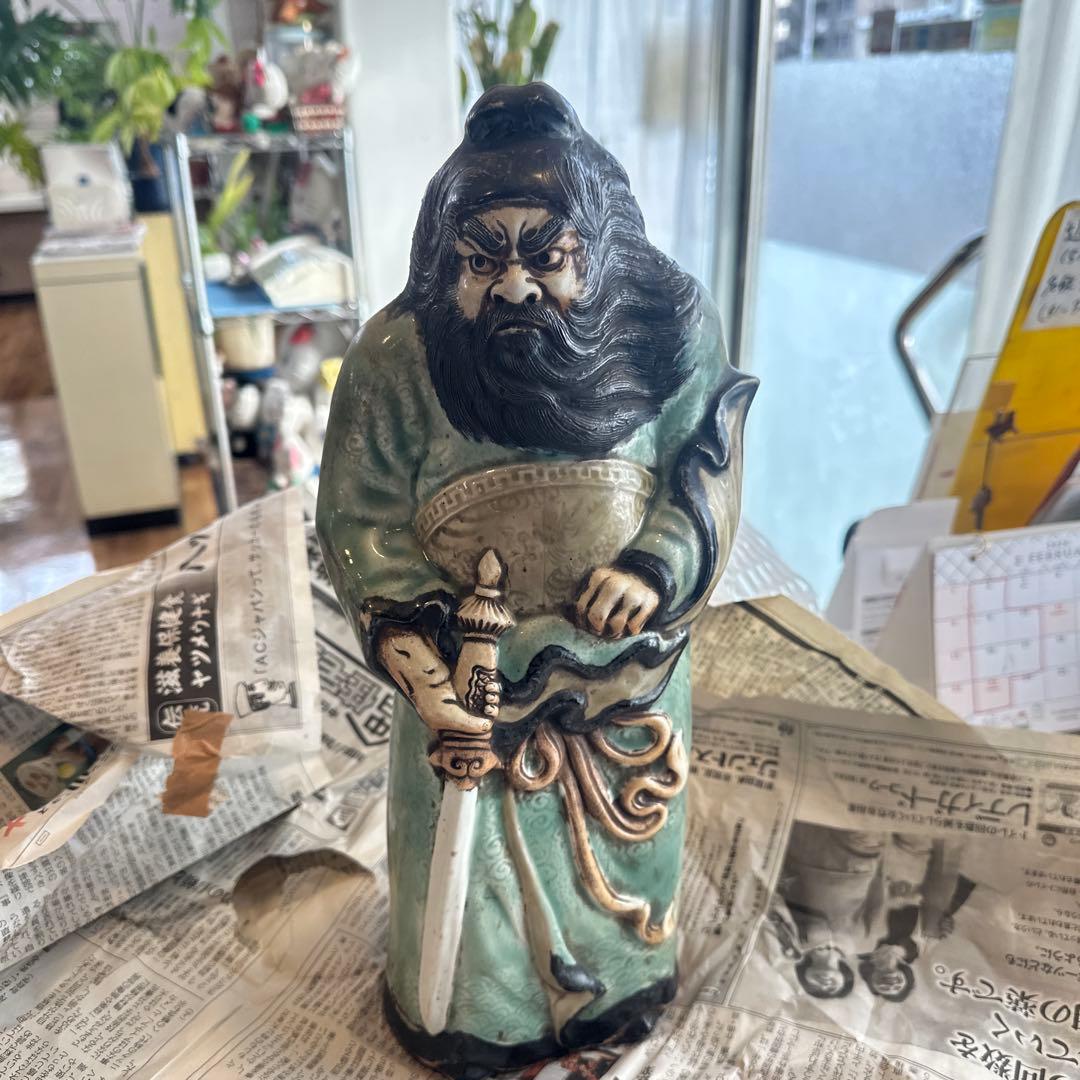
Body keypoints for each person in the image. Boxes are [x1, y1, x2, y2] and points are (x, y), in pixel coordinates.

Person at [317, 83, 755, 1073]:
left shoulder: (674, 327)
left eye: (548, 258)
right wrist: (426, 674)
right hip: (462, 683)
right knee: (465, 912)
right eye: (482, 263)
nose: (515, 289)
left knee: (628, 884)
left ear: (599, 249)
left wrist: (654, 565)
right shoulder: (395, 357)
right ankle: (480, 1023)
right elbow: (359, 518)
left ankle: (621, 993)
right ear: (446, 263)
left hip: (627, 683)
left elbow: (708, 466)